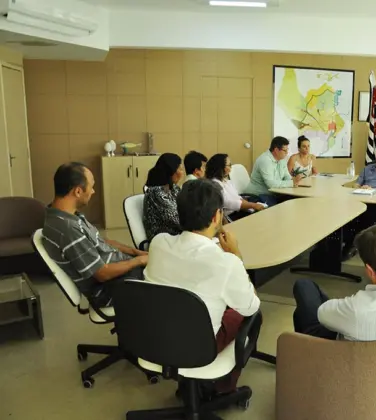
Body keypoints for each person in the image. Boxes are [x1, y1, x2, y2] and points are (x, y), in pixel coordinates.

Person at [145, 179, 260, 392]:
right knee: (247, 313)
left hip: (153, 339)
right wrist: (236, 255)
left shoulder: (158, 243)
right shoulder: (226, 262)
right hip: (198, 349)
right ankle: (218, 390)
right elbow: (252, 306)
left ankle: (190, 390)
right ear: (217, 216)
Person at [42, 162, 148, 308]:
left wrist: (136, 252)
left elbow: (101, 241)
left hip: (120, 273)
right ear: (78, 191)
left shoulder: (64, 216)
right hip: (109, 289)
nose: (93, 191)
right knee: (171, 278)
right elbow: (102, 273)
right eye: (91, 186)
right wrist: (139, 261)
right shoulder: (67, 229)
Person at [244, 136, 303, 206]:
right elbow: (271, 184)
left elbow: (286, 176)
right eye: (285, 150)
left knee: (295, 200)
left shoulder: (282, 159)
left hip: (273, 194)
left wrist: (294, 181)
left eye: (287, 150)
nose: (287, 153)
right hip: (257, 196)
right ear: (276, 150)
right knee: (283, 207)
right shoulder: (265, 160)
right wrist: (292, 183)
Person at [206, 153, 266, 220]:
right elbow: (228, 202)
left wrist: (249, 205)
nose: (231, 167)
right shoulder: (214, 184)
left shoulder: (226, 181)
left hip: (238, 211)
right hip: (230, 216)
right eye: (229, 165)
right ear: (221, 168)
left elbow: (237, 197)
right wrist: (253, 205)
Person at [143, 153, 184, 241]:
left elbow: (187, 207)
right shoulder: (155, 192)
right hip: (163, 241)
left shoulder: (174, 188)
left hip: (177, 237)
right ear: (171, 171)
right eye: (180, 169)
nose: (182, 173)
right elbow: (177, 219)